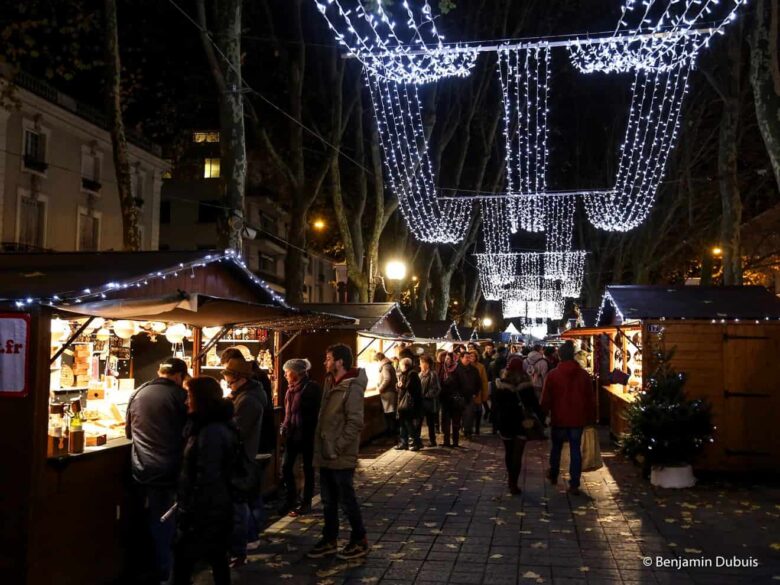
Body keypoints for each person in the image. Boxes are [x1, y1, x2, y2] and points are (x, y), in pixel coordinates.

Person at [125, 357, 188, 584]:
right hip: (170, 469)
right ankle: (165, 572)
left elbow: (128, 434)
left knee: (144, 518)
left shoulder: (138, 392)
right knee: (166, 520)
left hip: (140, 468)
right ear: (180, 375)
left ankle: (145, 568)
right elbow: (188, 433)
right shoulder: (181, 396)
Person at [173, 377, 237, 585]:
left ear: (201, 398)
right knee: (217, 558)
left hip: (206, 509)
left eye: (189, 396)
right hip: (214, 506)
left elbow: (208, 475)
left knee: (184, 560)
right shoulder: (209, 424)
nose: (185, 401)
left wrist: (189, 509)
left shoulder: (211, 431)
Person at [308, 344, 369, 561]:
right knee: (328, 499)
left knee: (345, 499)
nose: (325, 362)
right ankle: (330, 539)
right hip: (326, 452)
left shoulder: (352, 387)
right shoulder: (331, 382)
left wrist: (336, 447)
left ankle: (359, 539)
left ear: (339, 362)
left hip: (339, 455)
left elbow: (355, 422)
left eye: (328, 358)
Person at [222, 357, 264, 566]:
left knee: (240, 504)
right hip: (245, 455)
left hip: (242, 456)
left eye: (228, 376)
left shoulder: (248, 400)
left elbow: (237, 431)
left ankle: (244, 543)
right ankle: (250, 538)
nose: (226, 379)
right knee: (246, 501)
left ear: (239, 378)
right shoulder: (245, 395)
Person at [540, 341, 595, 496]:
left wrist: (543, 415)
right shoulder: (583, 375)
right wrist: (590, 418)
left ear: (560, 356)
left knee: (556, 448)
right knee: (575, 450)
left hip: (559, 418)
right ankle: (574, 483)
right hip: (577, 419)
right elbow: (590, 398)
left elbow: (546, 398)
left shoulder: (553, 375)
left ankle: (554, 474)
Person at [280, 358, 322, 517]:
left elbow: (313, 413)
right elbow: (288, 412)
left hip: (306, 435)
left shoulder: (311, 388)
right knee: (286, 467)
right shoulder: (290, 389)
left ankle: (306, 502)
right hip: (292, 434)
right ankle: (291, 498)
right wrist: (285, 425)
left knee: (308, 469)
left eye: (287, 371)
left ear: (296, 372)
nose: (285, 375)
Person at [493, 358, 533, 495]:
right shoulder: (526, 385)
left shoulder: (500, 385)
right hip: (521, 422)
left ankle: (511, 480)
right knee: (517, 454)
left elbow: (495, 405)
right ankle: (514, 483)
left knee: (509, 452)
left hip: (505, 422)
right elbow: (533, 404)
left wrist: (495, 422)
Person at [452, 353, 482, 441]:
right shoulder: (456, 369)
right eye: (466, 357)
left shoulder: (474, 369)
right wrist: (456, 394)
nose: (469, 359)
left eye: (469, 357)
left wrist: (475, 393)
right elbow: (454, 383)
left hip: (470, 396)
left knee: (469, 415)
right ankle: (457, 432)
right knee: (458, 416)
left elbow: (478, 382)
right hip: (459, 397)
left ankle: (467, 432)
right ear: (461, 358)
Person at [396, 357, 424, 451]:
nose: (400, 367)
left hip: (409, 404)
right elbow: (400, 387)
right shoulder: (404, 374)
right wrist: (398, 385)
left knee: (408, 423)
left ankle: (415, 443)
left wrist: (402, 386)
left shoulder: (412, 374)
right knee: (403, 423)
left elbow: (412, 388)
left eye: (400, 365)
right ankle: (404, 443)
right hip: (403, 403)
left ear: (405, 365)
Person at [419, 355, 441, 447]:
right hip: (421, 402)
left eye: (421, 363)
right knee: (419, 422)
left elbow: (437, 388)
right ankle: (417, 440)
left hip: (429, 402)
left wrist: (427, 396)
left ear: (426, 364)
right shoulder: (419, 374)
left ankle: (432, 441)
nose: (420, 365)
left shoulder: (433, 374)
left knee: (430, 423)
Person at [375, 352, 398, 438]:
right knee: (391, 413)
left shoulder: (385, 367)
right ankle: (393, 433)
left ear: (379, 360)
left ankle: (391, 434)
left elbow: (387, 379)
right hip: (391, 392)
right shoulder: (389, 365)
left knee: (389, 414)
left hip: (388, 393)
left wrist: (380, 388)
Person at [467, 350, 490, 436]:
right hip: (468, 393)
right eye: (470, 356)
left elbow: (484, 381)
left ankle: (477, 428)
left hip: (478, 392)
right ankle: (469, 429)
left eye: (473, 356)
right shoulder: (466, 366)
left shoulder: (481, 367)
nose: (471, 358)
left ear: (476, 357)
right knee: (469, 412)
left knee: (478, 411)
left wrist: (485, 393)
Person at [488, 346, 509, 435]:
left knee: (494, 406)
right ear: (503, 352)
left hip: (494, 386)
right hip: (502, 386)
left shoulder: (492, 363)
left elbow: (488, 374)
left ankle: (494, 427)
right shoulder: (504, 361)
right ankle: (501, 427)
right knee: (502, 407)